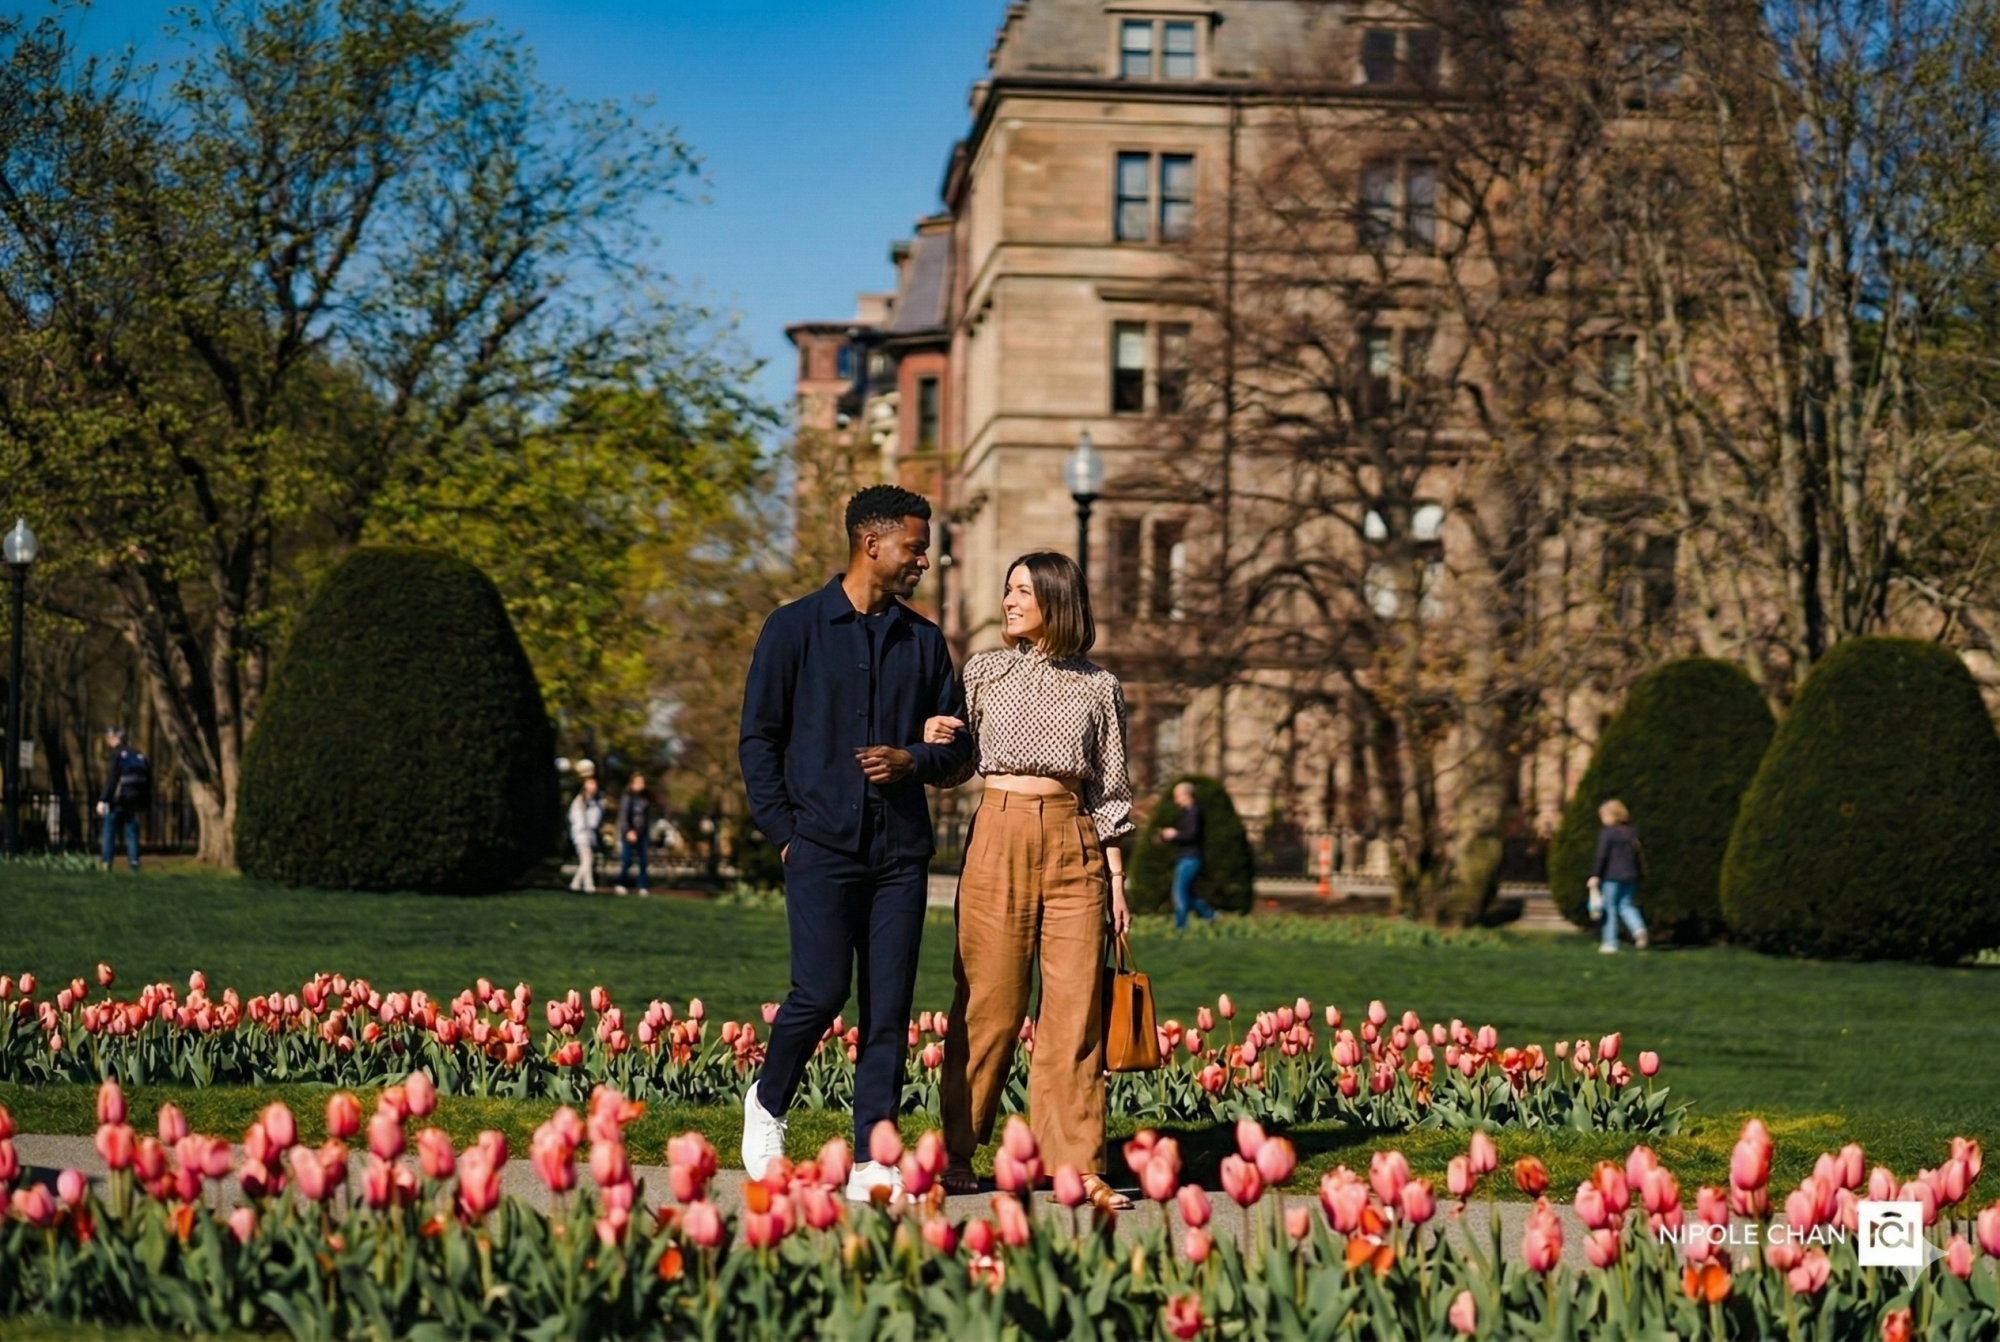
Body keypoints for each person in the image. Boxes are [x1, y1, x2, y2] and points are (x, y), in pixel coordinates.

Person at [738, 484, 973, 1201]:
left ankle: (875, 1156)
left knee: (889, 1009)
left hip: (900, 853)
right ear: (872, 543)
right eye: (915, 546)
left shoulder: (925, 642)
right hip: (820, 848)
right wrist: (786, 834)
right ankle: (767, 1103)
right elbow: (759, 740)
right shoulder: (794, 628)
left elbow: (960, 751)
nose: (923, 561)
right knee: (819, 993)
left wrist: (914, 759)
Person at [925, 551, 1135, 1210]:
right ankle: (960, 1148)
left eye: (1022, 590)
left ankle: (1076, 1165)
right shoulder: (984, 671)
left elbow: (1111, 787)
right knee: (989, 1003)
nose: (1009, 600)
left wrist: (1118, 878)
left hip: (1075, 844)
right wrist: (933, 739)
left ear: (1054, 599)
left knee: (1075, 1013)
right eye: (1007, 588)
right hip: (999, 831)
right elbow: (956, 766)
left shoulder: (1099, 686)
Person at [1588, 798, 1650, 954]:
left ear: (1611, 815)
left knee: (1610, 908)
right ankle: (1638, 929)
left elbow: (1602, 855)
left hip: (1612, 876)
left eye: (1603, 815)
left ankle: (1610, 943)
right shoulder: (1632, 832)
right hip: (1631, 875)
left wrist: (1595, 875)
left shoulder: (1607, 833)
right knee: (1626, 904)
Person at [1158, 779, 1218, 930]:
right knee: (1187, 893)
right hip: (1186, 856)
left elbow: (1191, 834)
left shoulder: (1194, 812)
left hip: (1190, 858)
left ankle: (1181, 926)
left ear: (1186, 795)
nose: (1176, 799)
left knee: (1179, 892)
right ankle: (1210, 915)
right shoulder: (1187, 812)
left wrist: (1174, 834)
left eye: (1177, 795)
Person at [96, 728, 148, 873]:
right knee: (132, 833)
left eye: (109, 738)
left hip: (118, 800)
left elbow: (112, 779)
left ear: (115, 739)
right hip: (134, 801)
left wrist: (103, 799)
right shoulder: (138, 755)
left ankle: (106, 862)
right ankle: (134, 863)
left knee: (109, 831)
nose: (107, 741)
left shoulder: (116, 755)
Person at [567, 761, 605, 893]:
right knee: (587, 859)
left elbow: (596, 819)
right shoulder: (579, 801)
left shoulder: (597, 802)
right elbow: (577, 819)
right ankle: (588, 885)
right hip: (581, 834)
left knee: (588, 860)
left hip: (590, 835)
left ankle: (577, 884)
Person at [614, 774, 654, 896]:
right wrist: (628, 831)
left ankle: (642, 885)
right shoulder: (627, 798)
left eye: (642, 782)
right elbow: (624, 816)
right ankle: (620, 883)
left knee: (643, 861)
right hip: (630, 833)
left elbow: (646, 817)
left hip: (642, 833)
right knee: (627, 860)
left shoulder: (644, 799)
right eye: (638, 782)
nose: (641, 785)